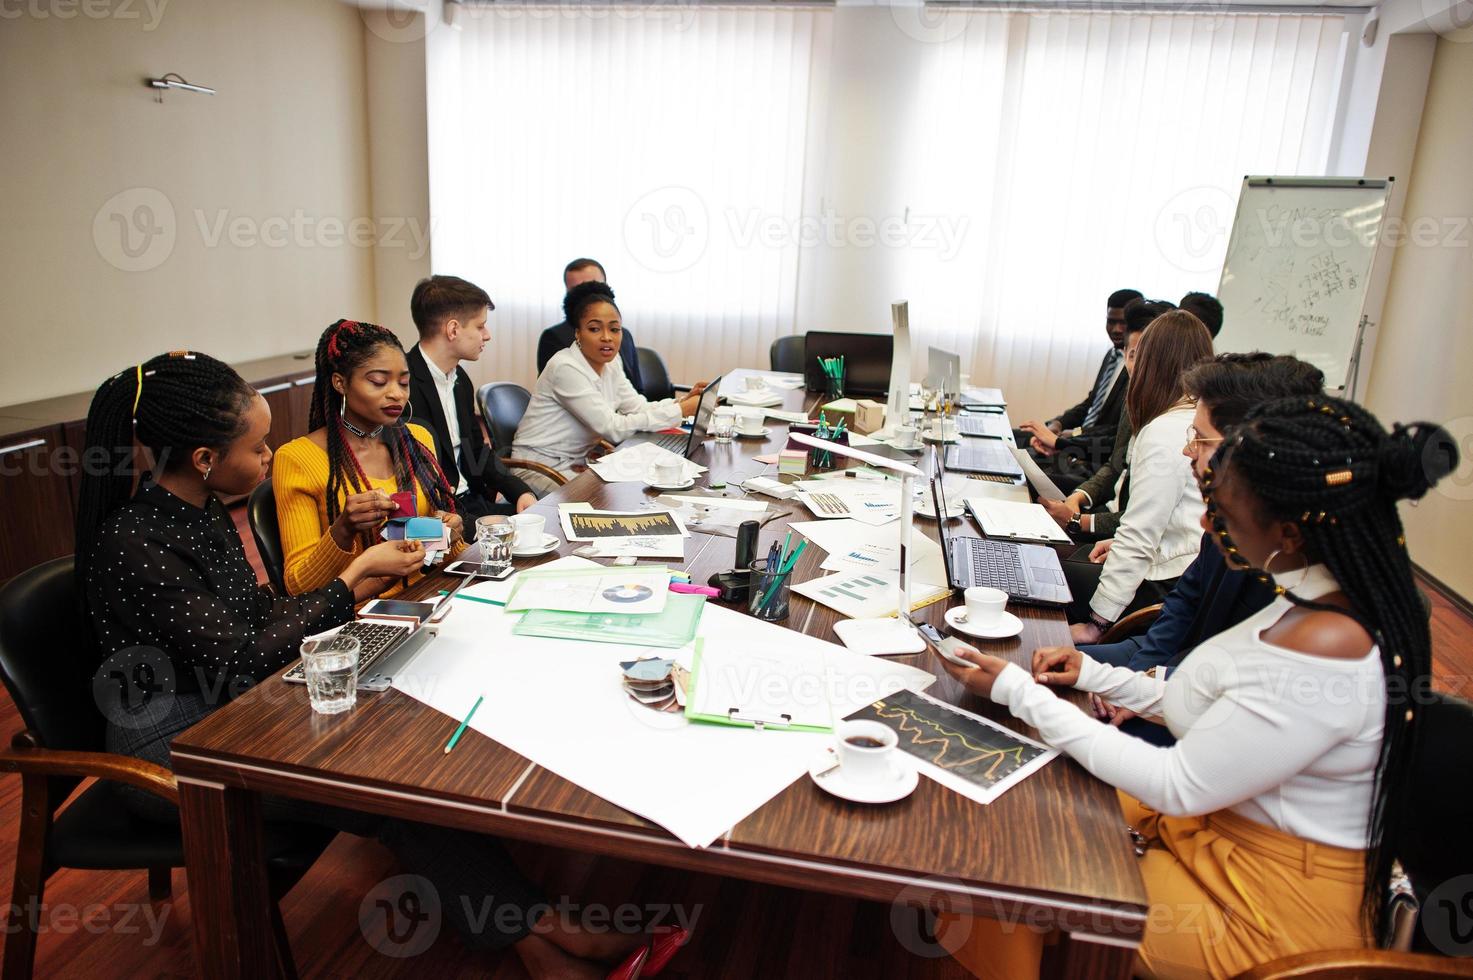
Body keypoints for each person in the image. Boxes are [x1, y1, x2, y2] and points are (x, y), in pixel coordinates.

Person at [76, 352, 672, 978]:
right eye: (256, 448)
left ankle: (541, 944)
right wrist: (353, 579)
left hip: (237, 702)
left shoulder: (195, 514)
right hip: (173, 748)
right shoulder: (136, 541)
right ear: (204, 459)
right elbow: (241, 655)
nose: (267, 455)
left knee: (410, 762)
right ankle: (553, 936)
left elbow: (256, 619)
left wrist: (348, 585)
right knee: (394, 791)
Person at [933, 395, 1456, 979]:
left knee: (1015, 865)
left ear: (1288, 532)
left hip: (1263, 913)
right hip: (1221, 838)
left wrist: (1019, 691)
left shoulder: (1327, 648)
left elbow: (1177, 784)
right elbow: (1209, 705)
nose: (1208, 525)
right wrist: (1095, 675)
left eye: (1224, 515)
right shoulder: (1308, 597)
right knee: (1026, 798)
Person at [1074, 353, 1326, 747]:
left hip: (1222, 713)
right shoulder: (1227, 508)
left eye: (1201, 439)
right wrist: (1139, 677)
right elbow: (1186, 600)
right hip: (1170, 662)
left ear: (1251, 446)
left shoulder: (1301, 555)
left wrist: (1144, 690)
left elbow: (1238, 675)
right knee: (1041, 667)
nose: (1187, 451)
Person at [274, 320, 467, 597]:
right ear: (340, 382)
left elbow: (440, 556)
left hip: (434, 593)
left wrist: (451, 535)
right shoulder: (297, 459)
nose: (396, 394)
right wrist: (344, 529)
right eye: (378, 381)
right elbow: (299, 588)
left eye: (403, 382)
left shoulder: (416, 439)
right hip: (365, 616)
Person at [1062, 310, 1213, 635]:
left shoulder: (1165, 431)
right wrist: (1118, 540)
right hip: (1184, 571)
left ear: (1152, 365)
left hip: (1164, 585)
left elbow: (1140, 538)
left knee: (1053, 577)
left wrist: (1097, 625)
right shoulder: (1194, 417)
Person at [511, 281, 708, 496]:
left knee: (641, 490)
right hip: (537, 468)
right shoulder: (565, 367)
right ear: (578, 333)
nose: (607, 337)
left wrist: (681, 402)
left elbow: (636, 406)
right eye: (594, 329)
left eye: (614, 329)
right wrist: (681, 411)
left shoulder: (612, 362)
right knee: (614, 501)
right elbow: (612, 428)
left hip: (577, 462)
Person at [1039, 298, 1175, 540]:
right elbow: (1115, 462)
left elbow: (1141, 520)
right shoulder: (1135, 396)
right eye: (1129, 354)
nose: (1132, 365)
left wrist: (1076, 521)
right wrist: (1078, 497)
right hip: (1106, 505)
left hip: (1119, 527)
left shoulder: (1171, 424)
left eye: (1139, 355)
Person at [406, 274, 537, 521]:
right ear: (453, 329)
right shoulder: (404, 386)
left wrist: (519, 491)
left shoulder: (460, 380)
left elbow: (476, 451)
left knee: (549, 519)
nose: (486, 335)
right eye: (480, 326)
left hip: (473, 504)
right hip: (440, 518)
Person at [1015, 287, 1143, 490]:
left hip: (1092, 458)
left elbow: (1115, 432)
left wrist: (1071, 436)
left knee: (1021, 471)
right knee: (1014, 436)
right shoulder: (1113, 356)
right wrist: (1057, 423)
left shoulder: (1136, 370)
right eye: (1111, 321)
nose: (1117, 329)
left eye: (1123, 323)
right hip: (1079, 443)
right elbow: (1091, 403)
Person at [536, 258, 645, 393]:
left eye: (594, 288)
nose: (588, 298)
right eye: (578, 291)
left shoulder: (624, 335)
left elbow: (637, 391)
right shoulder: (554, 338)